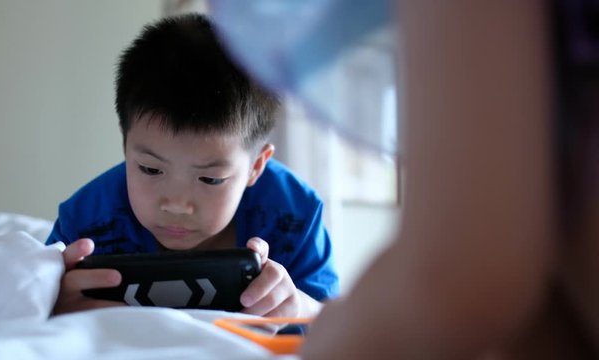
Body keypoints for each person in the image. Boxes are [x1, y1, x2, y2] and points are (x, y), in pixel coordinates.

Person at [207, 0, 599, 358]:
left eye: (211, 176)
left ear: (257, 165)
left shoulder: (294, 207)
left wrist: (328, 341)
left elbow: (457, 275)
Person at [46, 14, 339, 317]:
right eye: (150, 169)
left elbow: (335, 321)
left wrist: (299, 307)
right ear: (125, 142)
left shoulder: (295, 214)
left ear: (256, 166)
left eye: (210, 179)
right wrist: (54, 304)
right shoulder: (85, 220)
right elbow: (24, 304)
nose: (176, 205)